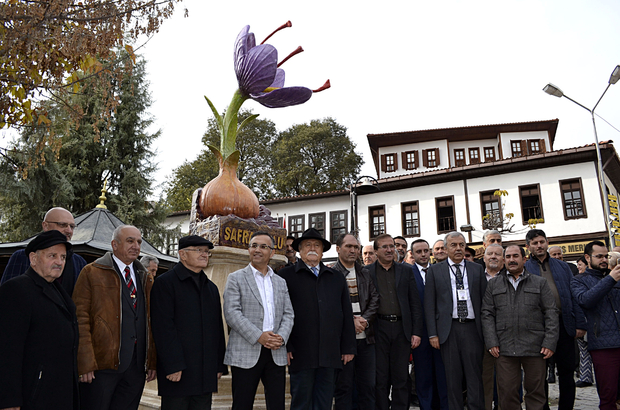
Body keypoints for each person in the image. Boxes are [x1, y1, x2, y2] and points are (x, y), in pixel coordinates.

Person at [73, 225, 156, 410]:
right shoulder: (91, 273)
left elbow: (151, 322)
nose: (136, 246)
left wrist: (152, 361)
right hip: (102, 367)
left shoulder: (146, 278)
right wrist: (85, 362)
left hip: (136, 368)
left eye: (139, 242)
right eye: (130, 241)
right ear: (114, 244)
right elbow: (80, 319)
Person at [277, 228, 356, 410]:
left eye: (317, 245)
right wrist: (286, 345)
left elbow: (345, 312)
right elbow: (279, 313)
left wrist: (348, 346)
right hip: (301, 352)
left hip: (330, 352)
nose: (312, 248)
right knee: (301, 401)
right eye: (308, 245)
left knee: (325, 401)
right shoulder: (285, 276)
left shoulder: (336, 277)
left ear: (322, 250)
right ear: (300, 250)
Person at [0, 230, 79, 410]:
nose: (59, 262)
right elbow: (7, 352)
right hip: (33, 397)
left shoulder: (58, 291)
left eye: (63, 257)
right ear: (34, 259)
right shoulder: (16, 290)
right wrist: (9, 401)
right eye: (52, 255)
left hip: (59, 394)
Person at [150, 235, 226, 410]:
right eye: (199, 250)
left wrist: (218, 365)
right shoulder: (165, 283)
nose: (204, 255)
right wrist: (173, 364)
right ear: (182, 255)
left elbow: (217, 329)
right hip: (178, 372)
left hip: (205, 372)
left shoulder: (211, 288)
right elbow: (163, 328)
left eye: (207, 252)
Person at [223, 232, 294, 410]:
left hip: (275, 352)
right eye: (254, 245)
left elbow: (288, 314)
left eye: (263, 246)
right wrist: (259, 336)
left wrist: (281, 337)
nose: (257, 250)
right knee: (242, 404)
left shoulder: (280, 282)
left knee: (277, 405)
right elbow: (232, 313)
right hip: (246, 351)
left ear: (272, 252)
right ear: (248, 250)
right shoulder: (235, 278)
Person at [482, 245, 559, 410]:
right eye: (508, 256)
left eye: (515, 256)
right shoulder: (494, 284)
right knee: (507, 393)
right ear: (503, 260)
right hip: (504, 348)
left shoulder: (540, 283)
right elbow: (487, 314)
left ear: (524, 259)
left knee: (536, 393)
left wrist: (549, 342)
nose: (511, 260)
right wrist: (491, 341)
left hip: (535, 347)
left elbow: (551, 313)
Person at [425, 231, 487, 410]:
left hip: (473, 330)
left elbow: (484, 302)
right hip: (448, 330)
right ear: (445, 248)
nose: (458, 248)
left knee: (474, 376)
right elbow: (429, 305)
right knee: (452, 378)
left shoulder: (476, 269)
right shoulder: (435, 271)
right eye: (454, 245)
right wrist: (433, 334)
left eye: (461, 245)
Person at [525, 229, 586, 410]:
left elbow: (574, 296)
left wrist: (580, 323)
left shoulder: (563, 267)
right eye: (535, 243)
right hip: (537, 328)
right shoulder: (525, 268)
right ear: (528, 247)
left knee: (566, 372)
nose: (539, 246)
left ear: (547, 242)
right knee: (539, 374)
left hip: (564, 324)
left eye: (542, 242)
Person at [367, 233, 423, 410]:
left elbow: (415, 303)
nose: (390, 249)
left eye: (391, 246)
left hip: (402, 329)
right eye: (384, 247)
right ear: (376, 251)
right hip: (378, 329)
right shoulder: (366, 272)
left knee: (401, 377)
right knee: (380, 377)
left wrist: (416, 332)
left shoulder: (406, 270)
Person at [330, 233, 379, 410]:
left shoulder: (365, 273)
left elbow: (375, 299)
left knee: (368, 386)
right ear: (338, 249)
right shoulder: (331, 273)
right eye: (348, 246)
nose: (353, 250)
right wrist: (351, 321)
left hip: (367, 339)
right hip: (343, 341)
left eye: (356, 247)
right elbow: (331, 304)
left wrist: (365, 320)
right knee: (344, 387)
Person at [572, 241, 620, 410]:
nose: (604, 260)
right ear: (587, 257)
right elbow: (586, 300)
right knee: (608, 396)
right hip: (603, 344)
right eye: (598, 256)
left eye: (606, 256)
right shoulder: (579, 281)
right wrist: (610, 280)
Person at [1, 206, 86, 296]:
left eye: (72, 226)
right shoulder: (21, 257)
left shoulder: (79, 263)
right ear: (45, 226)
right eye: (62, 225)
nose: (69, 230)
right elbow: (6, 296)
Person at [410, 239, 449, 410]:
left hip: (441, 332)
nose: (423, 254)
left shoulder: (439, 271)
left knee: (443, 375)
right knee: (423, 376)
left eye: (426, 250)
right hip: (419, 334)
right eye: (419, 251)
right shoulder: (408, 273)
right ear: (412, 254)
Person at [481, 243, 504, 410]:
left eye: (497, 254)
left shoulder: (511, 277)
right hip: (482, 337)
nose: (493, 257)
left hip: (507, 336)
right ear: (484, 258)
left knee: (508, 381)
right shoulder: (476, 277)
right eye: (490, 254)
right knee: (485, 380)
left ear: (503, 258)